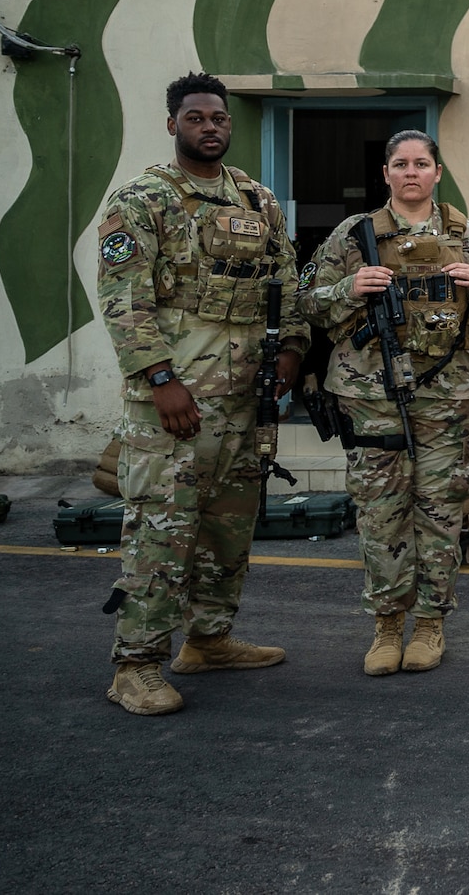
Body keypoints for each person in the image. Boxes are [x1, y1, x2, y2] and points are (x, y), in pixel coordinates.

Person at [94, 72, 308, 716]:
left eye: (218, 117)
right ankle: (135, 665)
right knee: (161, 529)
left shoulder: (257, 200)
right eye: (196, 118)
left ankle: (208, 639)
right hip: (177, 398)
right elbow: (123, 300)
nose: (209, 126)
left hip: (246, 398)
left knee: (229, 527)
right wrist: (160, 379)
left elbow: (286, 281)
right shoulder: (142, 200)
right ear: (173, 125)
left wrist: (293, 350)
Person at [299, 130, 469, 676]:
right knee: (380, 513)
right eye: (401, 164)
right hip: (370, 396)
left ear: (437, 172)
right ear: (386, 174)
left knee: (441, 510)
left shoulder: (466, 235)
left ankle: (429, 624)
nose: (412, 173)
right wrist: (348, 288)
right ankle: (386, 626)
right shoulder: (355, 236)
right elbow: (307, 299)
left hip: (447, 399)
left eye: (422, 163)